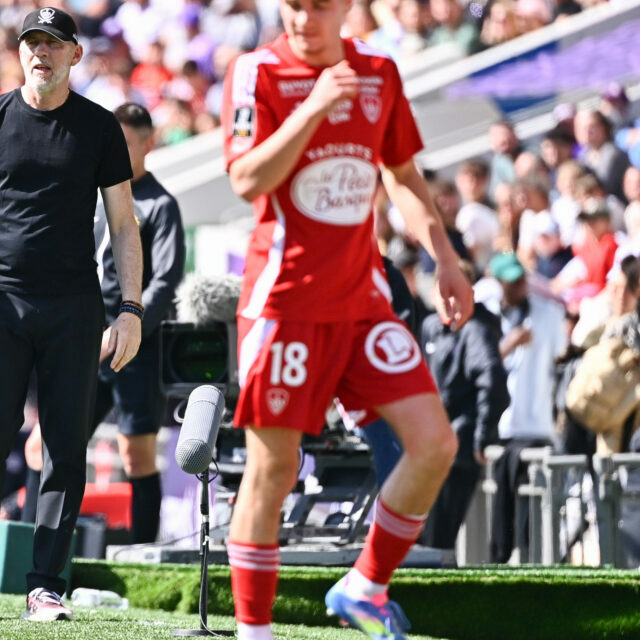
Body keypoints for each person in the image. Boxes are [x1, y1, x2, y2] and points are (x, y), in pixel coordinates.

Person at [219, 1, 474, 637]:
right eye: (294, 5)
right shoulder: (257, 73)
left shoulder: (380, 73)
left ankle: (365, 585)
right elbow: (247, 179)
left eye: (319, 5)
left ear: (346, 8)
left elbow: (404, 176)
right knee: (273, 471)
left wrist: (444, 257)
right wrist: (311, 109)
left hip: (362, 302)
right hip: (286, 305)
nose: (305, 18)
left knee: (436, 443)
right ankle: (254, 630)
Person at [0, 7, 143, 623]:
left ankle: (46, 584)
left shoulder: (99, 128)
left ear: (75, 55)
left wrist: (130, 309)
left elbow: (124, 225)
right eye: (31, 43)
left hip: (75, 305)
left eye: (53, 44)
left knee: (67, 446)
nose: (40, 53)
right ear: (20, 53)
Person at [22, 102, 186, 543]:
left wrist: (128, 326)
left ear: (148, 145)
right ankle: (27, 552)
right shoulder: (92, 194)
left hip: (134, 347)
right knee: (41, 445)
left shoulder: (159, 205)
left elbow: (166, 281)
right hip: (82, 342)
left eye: (126, 142)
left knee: (138, 456)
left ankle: (141, 555)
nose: (114, 150)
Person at [417, 262, 511, 550]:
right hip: (431, 445)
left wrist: (481, 435)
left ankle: (438, 592)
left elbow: (493, 382)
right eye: (443, 291)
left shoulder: (477, 329)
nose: (449, 299)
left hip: (457, 446)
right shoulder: (431, 327)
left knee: (438, 538)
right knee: (420, 534)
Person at [487, 252, 566, 563]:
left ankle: (537, 560)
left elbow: (559, 356)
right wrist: (509, 344)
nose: (520, 286)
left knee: (533, 509)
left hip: (538, 423)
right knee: (502, 504)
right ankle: (501, 559)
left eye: (522, 279)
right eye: (512, 281)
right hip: (504, 426)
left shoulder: (548, 314)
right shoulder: (489, 316)